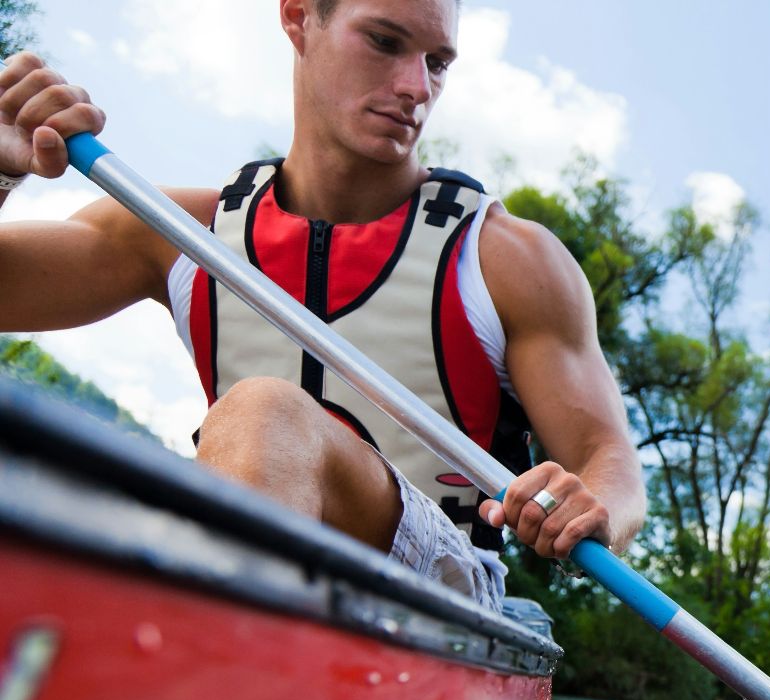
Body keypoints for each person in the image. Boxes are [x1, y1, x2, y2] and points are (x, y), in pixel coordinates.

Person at [0, 0, 644, 613]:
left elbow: (610, 463)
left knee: (264, 411)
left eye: (438, 62)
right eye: (386, 43)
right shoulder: (175, 231)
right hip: (241, 549)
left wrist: (592, 507)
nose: (417, 87)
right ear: (298, 18)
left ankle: (191, 665)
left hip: (444, 588)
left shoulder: (510, 260)